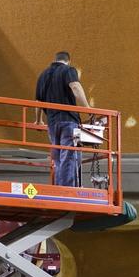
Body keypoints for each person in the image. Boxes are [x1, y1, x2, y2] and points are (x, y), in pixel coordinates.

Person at [34, 51, 91, 187]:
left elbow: (38, 102)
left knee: (58, 158)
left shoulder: (42, 75)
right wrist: (88, 109)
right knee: (69, 156)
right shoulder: (68, 70)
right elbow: (76, 87)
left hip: (52, 123)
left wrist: (38, 120)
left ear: (55, 60)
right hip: (68, 120)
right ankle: (68, 189)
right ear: (68, 61)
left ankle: (60, 188)